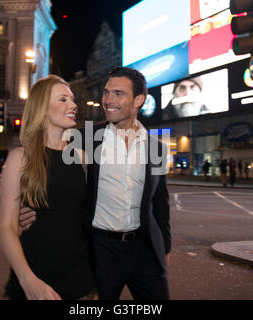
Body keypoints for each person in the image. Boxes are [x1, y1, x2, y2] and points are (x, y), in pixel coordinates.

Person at [19, 67, 171, 300]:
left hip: (146, 252)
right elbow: (39, 156)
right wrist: (20, 200)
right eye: (106, 92)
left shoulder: (157, 149)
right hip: (102, 252)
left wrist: (165, 248)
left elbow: (160, 203)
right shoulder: (84, 137)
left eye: (118, 94)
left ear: (138, 100)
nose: (108, 100)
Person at [0, 75, 96, 300]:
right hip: (35, 278)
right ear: (42, 108)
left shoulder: (81, 158)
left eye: (72, 100)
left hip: (80, 281)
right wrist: (28, 281)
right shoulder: (20, 158)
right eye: (63, 99)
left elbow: (88, 216)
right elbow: (7, 227)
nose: (73, 105)